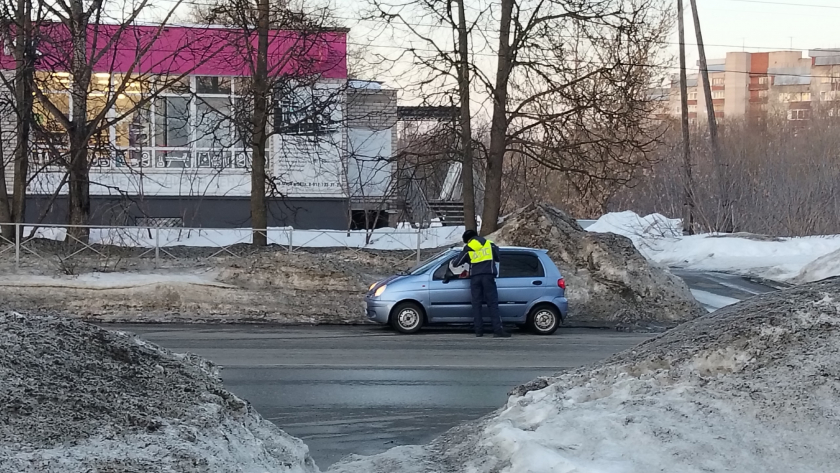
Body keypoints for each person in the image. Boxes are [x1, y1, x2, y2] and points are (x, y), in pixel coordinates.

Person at [454, 229, 511, 338]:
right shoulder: (490, 244)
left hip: (475, 278)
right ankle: (498, 330)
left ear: (468, 240)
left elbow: (457, 262)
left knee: (476, 304)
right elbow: (498, 258)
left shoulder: (468, 247)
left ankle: (479, 331)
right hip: (488, 276)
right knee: (492, 304)